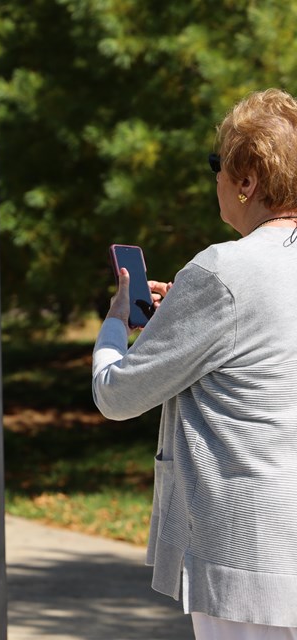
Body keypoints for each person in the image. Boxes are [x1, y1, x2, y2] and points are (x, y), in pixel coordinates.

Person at [92, 88, 297, 640]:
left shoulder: (222, 272)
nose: (216, 181)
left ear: (248, 180)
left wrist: (117, 322)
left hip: (245, 561)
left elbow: (117, 394)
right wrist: (181, 316)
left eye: (218, 166)